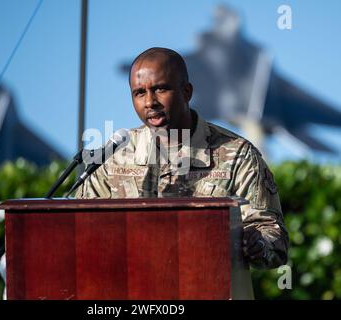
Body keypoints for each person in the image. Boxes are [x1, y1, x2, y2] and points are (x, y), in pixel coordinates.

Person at [74, 47, 288, 269]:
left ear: (187, 92)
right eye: (139, 93)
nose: (150, 102)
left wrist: (257, 244)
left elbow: (275, 239)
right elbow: (78, 228)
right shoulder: (114, 157)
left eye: (160, 89)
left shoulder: (237, 155)